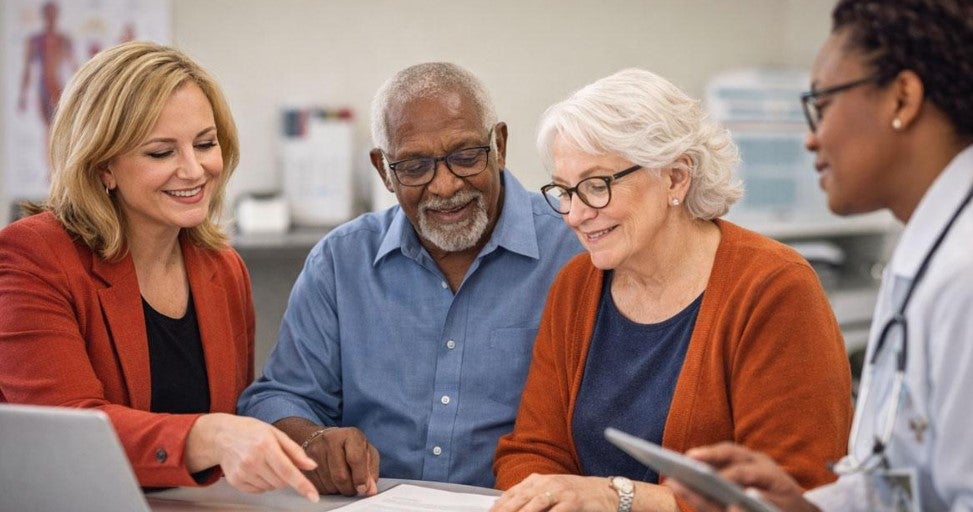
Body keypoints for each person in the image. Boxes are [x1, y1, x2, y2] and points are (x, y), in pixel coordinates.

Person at [491, 68, 853, 512]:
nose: (575, 214)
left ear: (676, 179)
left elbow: (794, 493)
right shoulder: (575, 286)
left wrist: (618, 499)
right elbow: (533, 451)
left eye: (596, 185)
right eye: (565, 191)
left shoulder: (774, 287)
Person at [666, 1, 973, 511]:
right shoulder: (925, 254)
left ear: (903, 97)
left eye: (822, 105)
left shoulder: (963, 273)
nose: (811, 138)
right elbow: (907, 485)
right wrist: (804, 506)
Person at [237, 62, 583, 495]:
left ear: (500, 145)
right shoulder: (341, 260)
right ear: (383, 170)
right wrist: (314, 439)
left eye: (465, 156)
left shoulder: (575, 247)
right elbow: (278, 397)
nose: (444, 185)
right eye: (416, 166)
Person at [0, 41, 319, 502]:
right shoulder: (30, 257)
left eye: (205, 144)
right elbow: (69, 432)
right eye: (160, 153)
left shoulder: (223, 267)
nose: (194, 170)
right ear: (103, 165)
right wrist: (207, 436)